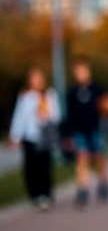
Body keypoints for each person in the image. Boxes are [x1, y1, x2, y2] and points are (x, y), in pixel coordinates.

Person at [8, 69, 61, 211]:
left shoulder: (49, 95)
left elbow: (56, 115)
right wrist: (15, 136)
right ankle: (35, 194)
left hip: (45, 137)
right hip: (30, 136)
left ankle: (46, 193)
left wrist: (47, 116)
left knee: (45, 167)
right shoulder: (25, 96)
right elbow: (19, 117)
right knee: (31, 168)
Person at [65, 57, 108, 208]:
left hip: (96, 128)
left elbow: (106, 106)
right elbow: (69, 115)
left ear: (88, 71)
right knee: (82, 158)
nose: (81, 74)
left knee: (99, 157)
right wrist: (68, 134)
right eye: (78, 71)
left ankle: (103, 182)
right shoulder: (72, 92)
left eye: (83, 71)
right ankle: (83, 188)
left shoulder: (97, 88)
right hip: (79, 130)